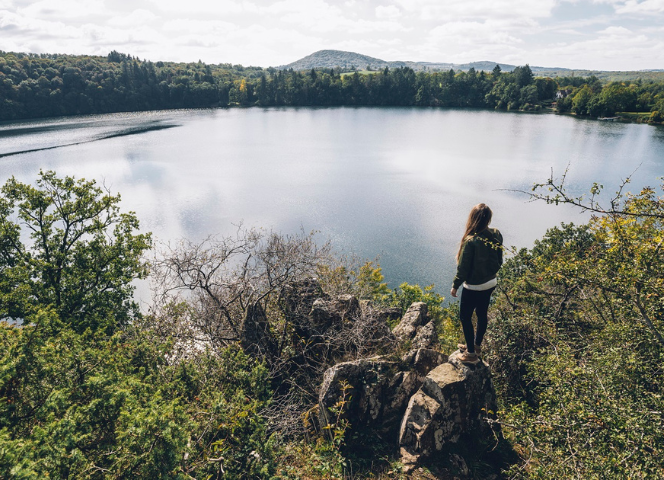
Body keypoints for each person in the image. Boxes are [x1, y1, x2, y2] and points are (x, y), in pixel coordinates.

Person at [450, 203, 503, 364]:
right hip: (491, 282)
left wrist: (455, 285)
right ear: (488, 219)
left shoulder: (471, 240)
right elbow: (499, 258)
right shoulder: (496, 234)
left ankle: (471, 354)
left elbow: (463, 268)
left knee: (465, 317)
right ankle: (476, 345)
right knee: (481, 314)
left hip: (474, 287)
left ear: (472, 219)